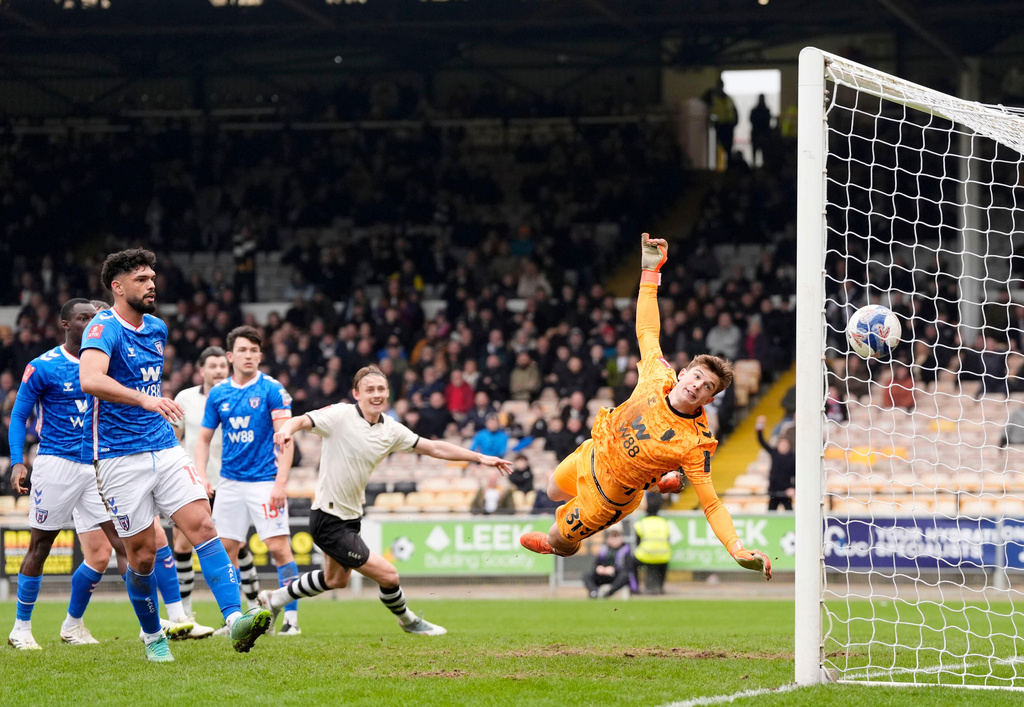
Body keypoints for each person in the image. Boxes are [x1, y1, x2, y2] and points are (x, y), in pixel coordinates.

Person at [520, 234, 772, 584]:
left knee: (559, 539)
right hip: (594, 451)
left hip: (610, 497)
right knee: (551, 490)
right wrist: (650, 271)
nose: (697, 385)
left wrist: (737, 549)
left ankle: (564, 542)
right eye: (697, 377)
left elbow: (712, 504)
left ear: (708, 400)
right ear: (684, 374)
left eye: (707, 387)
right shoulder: (658, 374)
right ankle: (653, 481)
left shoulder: (695, 444)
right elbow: (647, 329)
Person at [78, 248, 272, 662]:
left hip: (164, 448)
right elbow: (90, 379)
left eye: (152, 277)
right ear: (118, 286)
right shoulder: (101, 328)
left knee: (203, 524)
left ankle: (235, 618)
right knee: (142, 555)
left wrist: (153, 408)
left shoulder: (158, 328)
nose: (152, 284)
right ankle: (153, 636)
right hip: (117, 457)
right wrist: (145, 401)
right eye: (141, 279)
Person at [257, 365, 513, 636]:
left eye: (381, 389)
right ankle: (409, 620)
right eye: (370, 389)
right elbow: (301, 420)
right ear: (357, 393)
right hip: (328, 518)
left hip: (350, 517)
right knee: (389, 575)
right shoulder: (340, 415)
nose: (376, 394)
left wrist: (479, 457)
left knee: (335, 579)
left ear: (388, 393)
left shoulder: (391, 430)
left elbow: (434, 447)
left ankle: (275, 599)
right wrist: (286, 430)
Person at [7, 299, 129, 650]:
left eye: (95, 317)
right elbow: (19, 417)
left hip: (99, 466)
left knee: (123, 542)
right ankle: (22, 628)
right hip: (56, 464)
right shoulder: (43, 366)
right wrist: (18, 461)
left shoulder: (108, 363)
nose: (91, 323)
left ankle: (90, 625)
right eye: (82, 317)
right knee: (40, 546)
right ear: (65, 324)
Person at [194, 326, 301, 635]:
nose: (249, 355)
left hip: (265, 481)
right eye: (243, 350)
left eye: (254, 350)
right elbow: (202, 440)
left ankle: (291, 621)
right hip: (229, 483)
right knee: (224, 550)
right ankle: (235, 619)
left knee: (279, 549)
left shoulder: (271, 389)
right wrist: (202, 476)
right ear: (230, 356)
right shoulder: (218, 393)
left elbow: (286, 438)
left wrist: (281, 483)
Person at [172, 346, 263, 629]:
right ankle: (185, 613)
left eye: (222, 366)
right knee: (182, 544)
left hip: (230, 480)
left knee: (236, 545)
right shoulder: (185, 398)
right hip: (193, 481)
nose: (219, 370)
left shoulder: (238, 395)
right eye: (212, 366)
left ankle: (254, 606)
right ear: (202, 370)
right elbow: (175, 437)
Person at [582, 527, 637, 599]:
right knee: (586, 575)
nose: (614, 540)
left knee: (624, 575)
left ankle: (609, 593)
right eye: (611, 536)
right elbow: (596, 564)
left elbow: (628, 568)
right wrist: (598, 568)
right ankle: (594, 592)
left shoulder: (626, 550)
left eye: (616, 536)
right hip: (604, 576)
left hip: (616, 577)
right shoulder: (603, 550)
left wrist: (614, 569)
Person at [633, 493, 671, 594]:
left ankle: (635, 588)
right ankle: (661, 587)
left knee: (631, 563)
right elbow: (668, 541)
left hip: (645, 556)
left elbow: (637, 543)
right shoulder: (664, 523)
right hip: (662, 557)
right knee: (665, 561)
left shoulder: (641, 523)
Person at [755, 415, 795, 511]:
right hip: (774, 490)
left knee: (789, 513)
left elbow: (796, 475)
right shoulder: (774, 453)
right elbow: (762, 441)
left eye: (785, 444)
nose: (783, 446)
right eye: (781, 444)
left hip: (786, 491)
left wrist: (793, 488)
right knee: (771, 512)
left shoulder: (792, 457)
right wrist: (760, 426)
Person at [749, 94, 772, 167]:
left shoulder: (756, 110)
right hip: (760, 134)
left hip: (760, 135)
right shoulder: (766, 110)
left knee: (762, 155)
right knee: (759, 155)